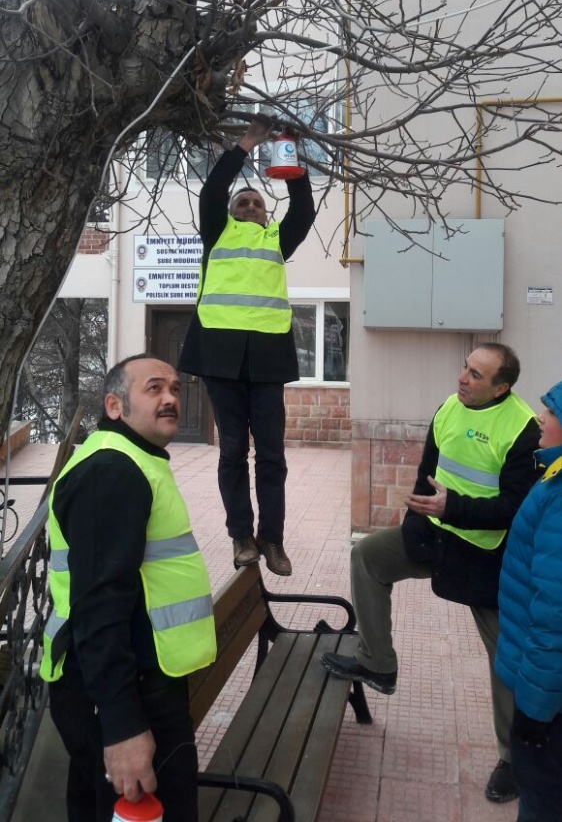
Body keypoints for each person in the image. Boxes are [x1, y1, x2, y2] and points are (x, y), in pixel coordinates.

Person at [322, 343, 540, 804]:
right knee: (369, 557)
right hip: (437, 536)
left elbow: (516, 508)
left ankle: (514, 760)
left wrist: (452, 508)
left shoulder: (522, 429)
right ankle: (378, 663)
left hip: (486, 555)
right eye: (465, 368)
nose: (463, 378)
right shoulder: (449, 408)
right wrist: (417, 525)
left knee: (506, 659)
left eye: (477, 375)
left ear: (501, 387)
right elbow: (427, 474)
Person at [40, 355, 216, 822]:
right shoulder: (111, 472)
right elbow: (98, 607)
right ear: (115, 406)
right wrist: (122, 727)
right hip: (122, 694)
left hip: (132, 683)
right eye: (155, 388)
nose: (171, 399)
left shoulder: (132, 461)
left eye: (176, 389)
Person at [178, 115, 315, 577]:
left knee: (272, 454)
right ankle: (241, 535)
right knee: (232, 450)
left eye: (257, 201)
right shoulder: (216, 232)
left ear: (265, 212)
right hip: (220, 356)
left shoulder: (279, 238)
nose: (252, 204)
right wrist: (248, 143)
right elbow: (212, 190)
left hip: (268, 358)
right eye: (245, 200)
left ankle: (271, 539)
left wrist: (290, 152)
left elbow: (304, 210)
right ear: (234, 210)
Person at [495, 381, 562, 822]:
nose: (541, 417)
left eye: (551, 411)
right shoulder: (554, 474)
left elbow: (553, 615)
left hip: (549, 707)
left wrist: (534, 712)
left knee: (541, 797)